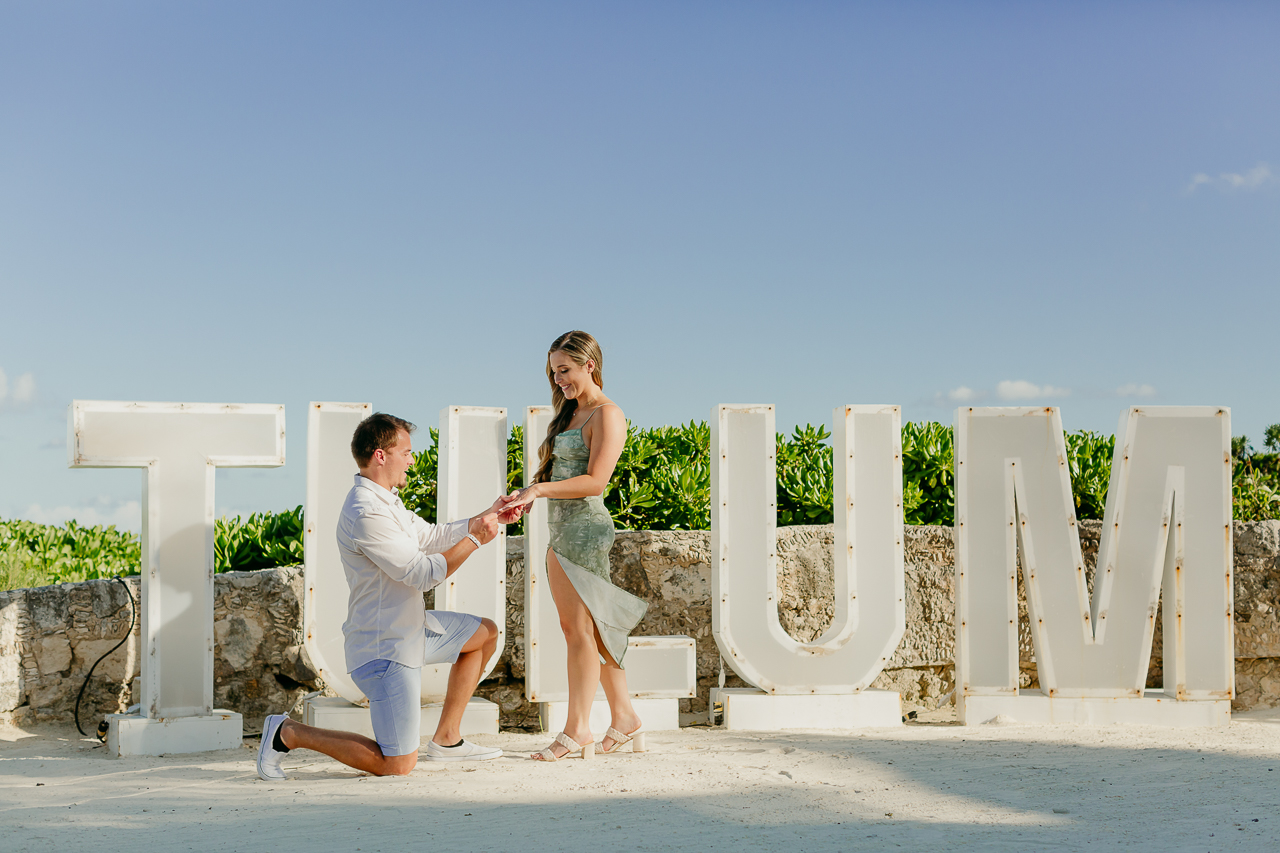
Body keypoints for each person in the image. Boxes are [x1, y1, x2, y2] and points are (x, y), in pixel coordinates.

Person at [257, 413, 522, 779]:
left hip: (412, 632)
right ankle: (288, 733)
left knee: (485, 634)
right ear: (381, 455)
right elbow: (420, 573)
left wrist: (492, 514)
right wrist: (475, 539)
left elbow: (432, 536)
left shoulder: (387, 501)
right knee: (397, 764)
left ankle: (447, 739)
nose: (412, 460)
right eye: (407, 452)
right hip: (385, 650)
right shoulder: (365, 512)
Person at [506, 331, 649, 761]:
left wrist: (541, 492)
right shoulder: (567, 415)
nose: (559, 380)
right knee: (594, 632)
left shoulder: (608, 414)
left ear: (590, 364)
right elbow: (556, 478)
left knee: (579, 633)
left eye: (565, 370)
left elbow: (595, 482)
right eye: (554, 373)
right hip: (561, 530)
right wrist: (525, 494)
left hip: (585, 531)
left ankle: (577, 730)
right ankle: (625, 719)